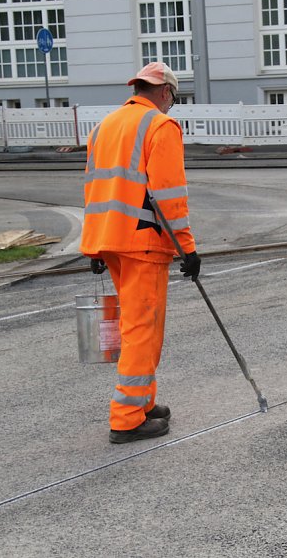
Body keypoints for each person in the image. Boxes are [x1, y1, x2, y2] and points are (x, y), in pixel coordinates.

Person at [80, 62, 201, 444]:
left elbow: (94, 187)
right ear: (165, 92)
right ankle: (128, 417)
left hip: (110, 238)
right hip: (143, 242)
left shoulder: (105, 126)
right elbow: (168, 195)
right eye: (173, 100)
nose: (170, 106)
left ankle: (144, 401)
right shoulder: (160, 127)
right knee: (141, 329)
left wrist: (94, 243)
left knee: (138, 324)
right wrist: (187, 246)